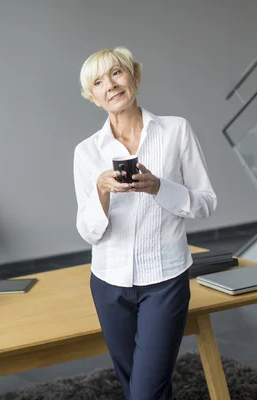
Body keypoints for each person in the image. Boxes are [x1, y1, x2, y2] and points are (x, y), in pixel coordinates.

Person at [73, 47, 217, 400]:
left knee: (145, 393)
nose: (110, 84)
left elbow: (206, 203)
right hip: (108, 285)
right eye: (98, 81)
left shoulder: (176, 131)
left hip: (165, 281)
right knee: (136, 386)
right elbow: (88, 231)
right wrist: (102, 191)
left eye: (117, 73)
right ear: (93, 97)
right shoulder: (86, 152)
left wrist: (159, 187)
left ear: (135, 77)